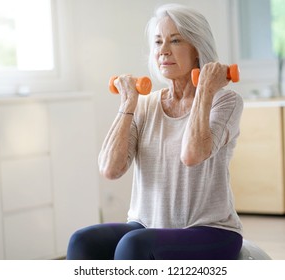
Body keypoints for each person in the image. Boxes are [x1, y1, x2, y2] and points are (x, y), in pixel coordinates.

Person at [67, 3, 244, 260]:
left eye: (175, 40)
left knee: (135, 245)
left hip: (210, 230)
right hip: (146, 225)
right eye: (158, 42)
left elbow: (192, 155)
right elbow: (110, 169)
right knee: (83, 241)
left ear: (197, 49)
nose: (163, 51)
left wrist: (204, 90)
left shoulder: (224, 102)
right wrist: (128, 103)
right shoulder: (145, 104)